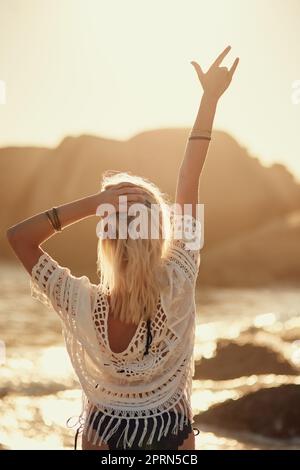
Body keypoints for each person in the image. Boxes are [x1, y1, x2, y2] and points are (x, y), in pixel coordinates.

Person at [7, 46, 239, 450]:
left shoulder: (79, 302)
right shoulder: (180, 279)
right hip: (171, 434)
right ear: (158, 230)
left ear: (107, 237)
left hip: (104, 436)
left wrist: (90, 205)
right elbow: (188, 176)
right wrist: (208, 100)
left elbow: (19, 237)